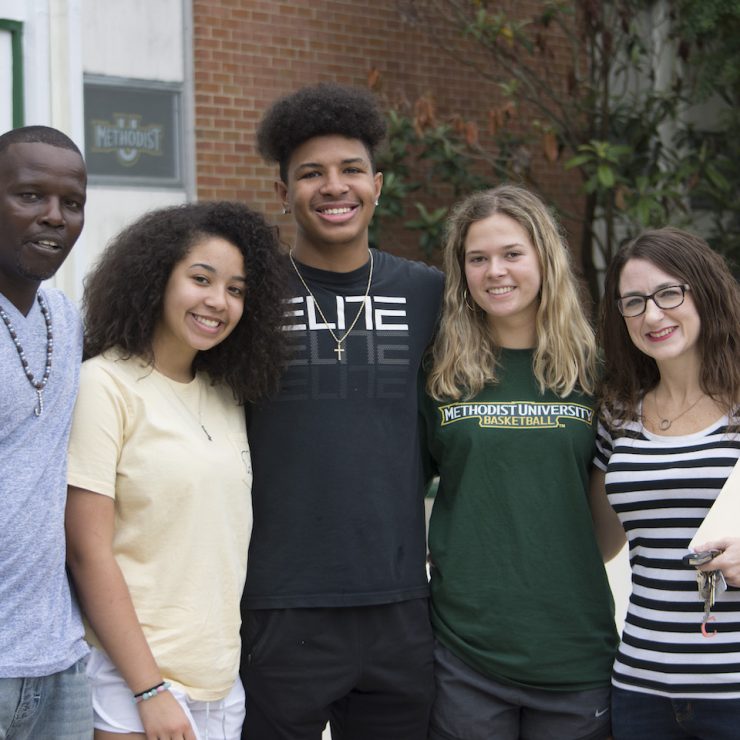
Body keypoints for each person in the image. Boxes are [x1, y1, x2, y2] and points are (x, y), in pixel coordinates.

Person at [240, 82, 444, 739]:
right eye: (311, 174)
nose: (335, 187)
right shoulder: (247, 298)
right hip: (280, 607)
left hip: (400, 606)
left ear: (378, 184)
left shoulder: (427, 293)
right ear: (283, 192)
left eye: (351, 170)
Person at [64, 201, 287, 739]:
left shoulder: (225, 395)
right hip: (134, 683)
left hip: (219, 683)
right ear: (156, 278)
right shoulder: (105, 385)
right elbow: (86, 551)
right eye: (201, 279)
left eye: (236, 289)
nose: (219, 302)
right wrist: (148, 690)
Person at [422, 185, 618, 740]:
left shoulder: (596, 371)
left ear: (544, 259)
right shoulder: (439, 373)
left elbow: (612, 517)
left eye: (512, 254)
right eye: (477, 258)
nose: (494, 271)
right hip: (464, 652)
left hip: (574, 650)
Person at [592, 227, 740, 740]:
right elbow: (598, 544)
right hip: (641, 691)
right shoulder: (617, 415)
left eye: (669, 293)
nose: (652, 315)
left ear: (706, 291)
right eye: (634, 302)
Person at [0, 125, 92, 738]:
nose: (54, 217)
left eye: (72, 203)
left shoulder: (66, 317)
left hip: (61, 657)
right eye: (30, 196)